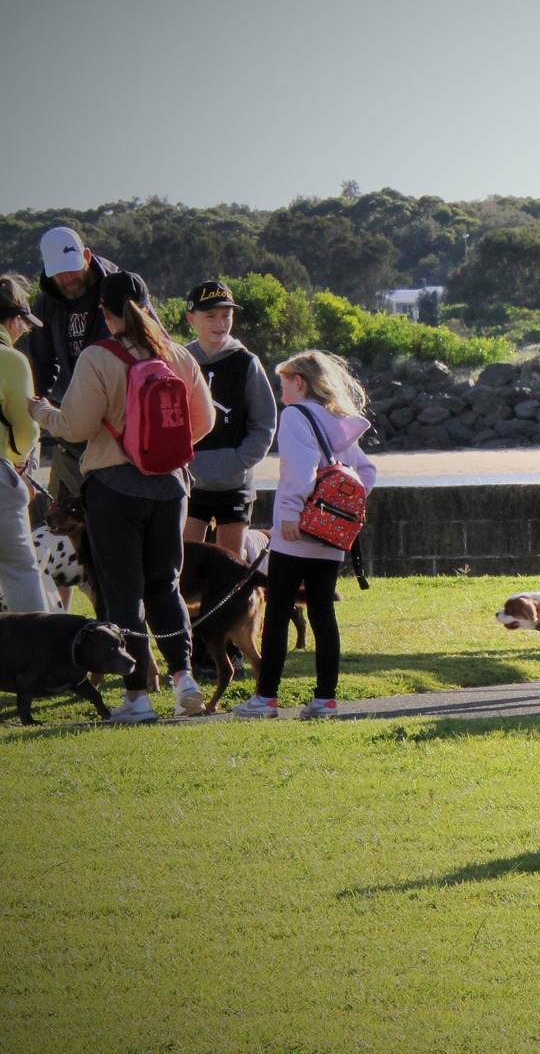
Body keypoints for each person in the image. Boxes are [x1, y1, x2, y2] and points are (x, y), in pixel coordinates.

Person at [29, 270, 214, 722]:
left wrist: (42, 413)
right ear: (148, 305)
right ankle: (184, 679)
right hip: (170, 488)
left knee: (124, 593)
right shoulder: (177, 356)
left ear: (105, 313)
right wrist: (160, 450)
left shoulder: (97, 357)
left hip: (113, 489)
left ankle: (137, 698)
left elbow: (74, 427)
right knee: (165, 586)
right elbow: (205, 421)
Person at [234, 351, 378, 720]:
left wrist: (290, 513)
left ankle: (266, 698)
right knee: (322, 612)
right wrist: (337, 511)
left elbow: (299, 469)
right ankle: (325, 700)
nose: (281, 390)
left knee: (279, 611)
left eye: (284, 382)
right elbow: (365, 471)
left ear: (300, 382)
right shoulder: (340, 421)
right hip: (330, 535)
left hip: (296, 530)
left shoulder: (296, 416)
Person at [23, 226, 123, 501]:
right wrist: (37, 411)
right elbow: (42, 365)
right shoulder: (47, 303)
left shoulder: (120, 287)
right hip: (74, 421)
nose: (67, 279)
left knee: (109, 514)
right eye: (59, 272)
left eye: (72, 268)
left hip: (120, 426)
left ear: (87, 256)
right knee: (63, 515)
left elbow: (154, 345)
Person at [182, 280, 278, 557]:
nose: (219, 323)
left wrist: (240, 461)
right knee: (187, 562)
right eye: (210, 316)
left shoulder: (246, 362)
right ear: (191, 318)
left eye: (226, 315)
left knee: (230, 563)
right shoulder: (181, 360)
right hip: (191, 479)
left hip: (235, 481)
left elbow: (264, 423)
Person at [0, 275, 49, 612]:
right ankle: (38, 664)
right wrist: (15, 460)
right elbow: (27, 430)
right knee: (20, 571)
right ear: (14, 319)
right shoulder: (12, 360)